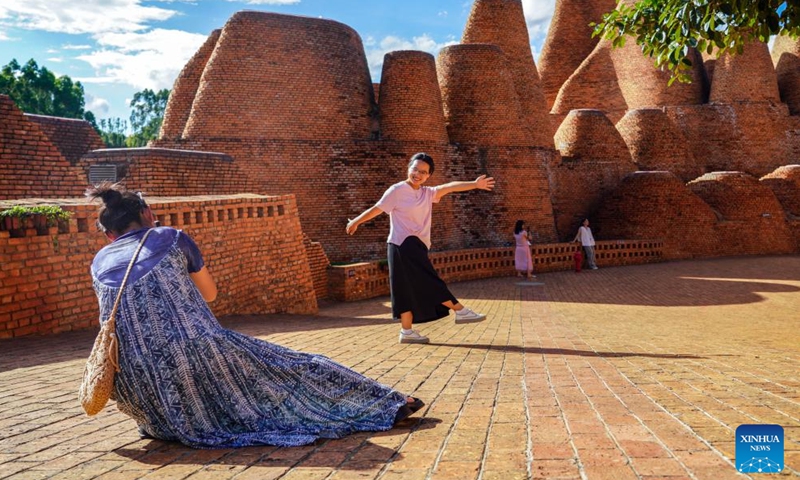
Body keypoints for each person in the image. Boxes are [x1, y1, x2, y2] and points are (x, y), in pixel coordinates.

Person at [86, 182, 424, 448]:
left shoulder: (98, 261)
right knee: (293, 368)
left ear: (109, 234)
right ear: (146, 213)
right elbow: (209, 294)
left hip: (138, 388)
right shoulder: (170, 236)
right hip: (196, 356)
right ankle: (386, 402)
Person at [346, 152, 496, 344]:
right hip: (402, 244)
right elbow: (377, 208)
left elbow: (449, 187)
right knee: (427, 280)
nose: (417, 174)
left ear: (428, 176)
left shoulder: (427, 193)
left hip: (415, 245)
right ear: (409, 168)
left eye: (423, 172)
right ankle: (460, 311)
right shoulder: (397, 190)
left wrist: (474, 184)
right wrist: (357, 221)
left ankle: (406, 331)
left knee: (406, 289)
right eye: (415, 169)